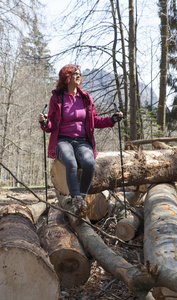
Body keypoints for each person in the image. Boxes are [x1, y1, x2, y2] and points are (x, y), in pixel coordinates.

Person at [39, 64, 123, 218]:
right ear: (67, 77)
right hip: (63, 140)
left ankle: (82, 197)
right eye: (75, 74)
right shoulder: (57, 98)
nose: (79, 76)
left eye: (79, 74)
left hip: (83, 141)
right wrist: (44, 122)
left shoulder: (85, 98)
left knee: (89, 163)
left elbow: (95, 121)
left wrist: (112, 119)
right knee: (71, 162)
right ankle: (76, 200)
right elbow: (51, 125)